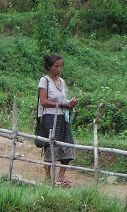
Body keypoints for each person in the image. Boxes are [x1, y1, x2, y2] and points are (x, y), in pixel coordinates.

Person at [38, 53, 78, 187]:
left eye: (61, 66)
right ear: (49, 67)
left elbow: (62, 99)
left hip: (62, 117)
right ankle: (48, 177)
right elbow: (43, 102)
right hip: (50, 117)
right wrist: (62, 105)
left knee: (68, 144)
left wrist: (69, 103)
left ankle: (61, 176)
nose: (59, 69)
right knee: (51, 146)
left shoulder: (62, 82)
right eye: (56, 66)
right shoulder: (44, 81)